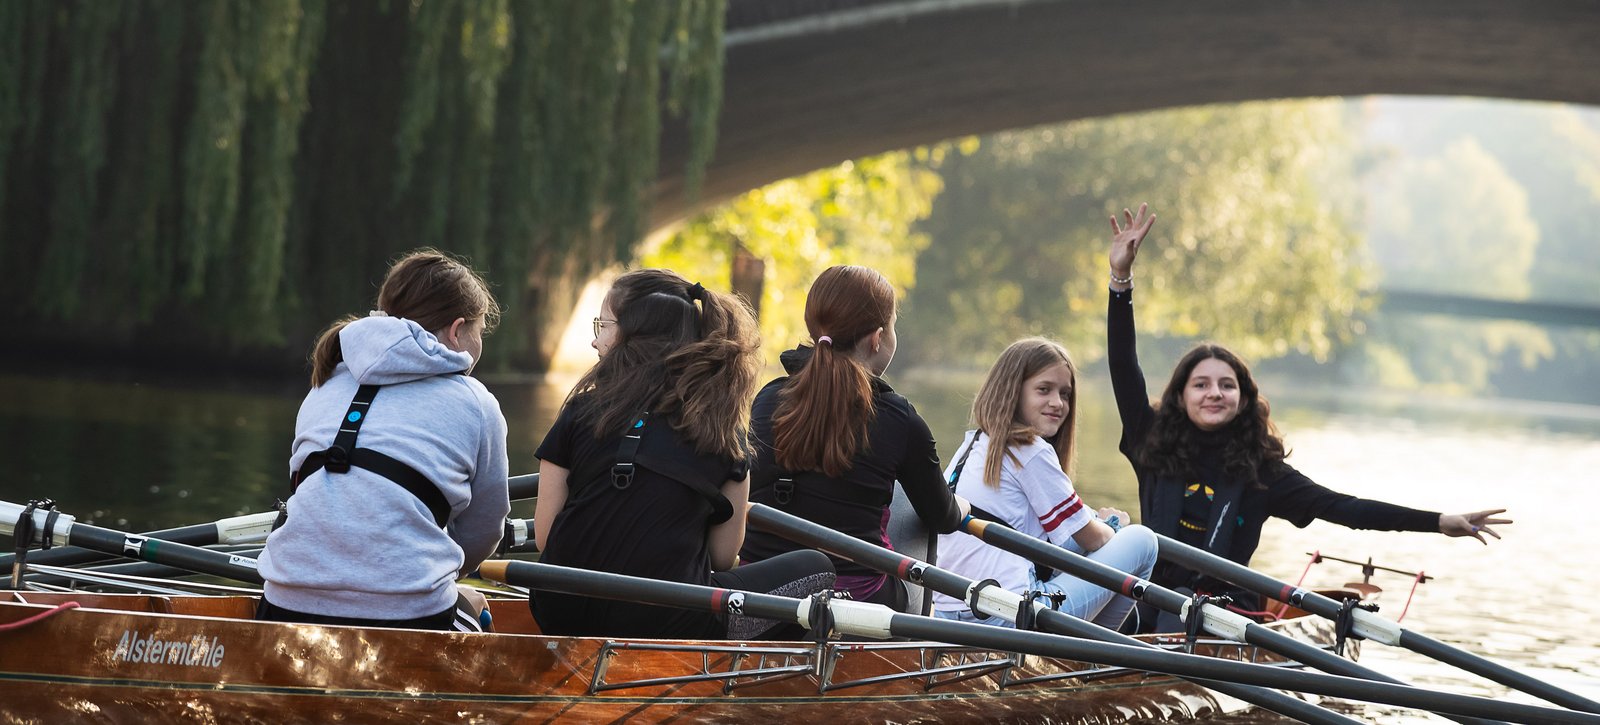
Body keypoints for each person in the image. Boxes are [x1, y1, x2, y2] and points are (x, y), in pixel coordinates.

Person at [1105, 203, 1513, 631]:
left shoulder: (1263, 473)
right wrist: (1121, 280)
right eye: (1201, 384)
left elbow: (1346, 509)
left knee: (1180, 613)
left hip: (1224, 616)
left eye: (1227, 385)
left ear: (1243, 400)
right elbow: (1123, 364)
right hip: (1146, 602)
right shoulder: (1152, 439)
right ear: (1181, 396)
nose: (1214, 393)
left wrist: (1438, 522)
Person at [532, 270, 835, 640]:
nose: (595, 342)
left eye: (604, 326)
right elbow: (723, 557)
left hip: (556, 609)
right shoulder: (721, 431)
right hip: (668, 621)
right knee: (818, 568)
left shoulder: (578, 411)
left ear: (633, 335)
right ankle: (731, 687)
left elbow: (546, 538)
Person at [258, 249, 509, 632]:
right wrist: (444, 573)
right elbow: (484, 531)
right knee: (476, 608)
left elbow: (303, 489)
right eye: (478, 331)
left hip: (284, 602)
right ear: (458, 331)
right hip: (409, 615)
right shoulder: (477, 403)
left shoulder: (325, 381)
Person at [740, 265, 970, 611]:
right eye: (892, 327)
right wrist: (961, 506)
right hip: (856, 604)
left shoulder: (767, 399)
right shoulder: (898, 418)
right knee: (907, 503)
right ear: (877, 338)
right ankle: (915, 644)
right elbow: (941, 516)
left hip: (765, 597)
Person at [932, 338, 1158, 629]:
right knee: (1143, 541)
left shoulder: (973, 444)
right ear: (1012, 391)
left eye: (1065, 394)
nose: (1058, 403)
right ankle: (1091, 664)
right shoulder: (1031, 449)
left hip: (950, 611)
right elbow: (1093, 539)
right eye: (1044, 390)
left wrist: (1091, 520)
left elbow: (1063, 535)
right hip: (1012, 615)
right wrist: (1113, 525)